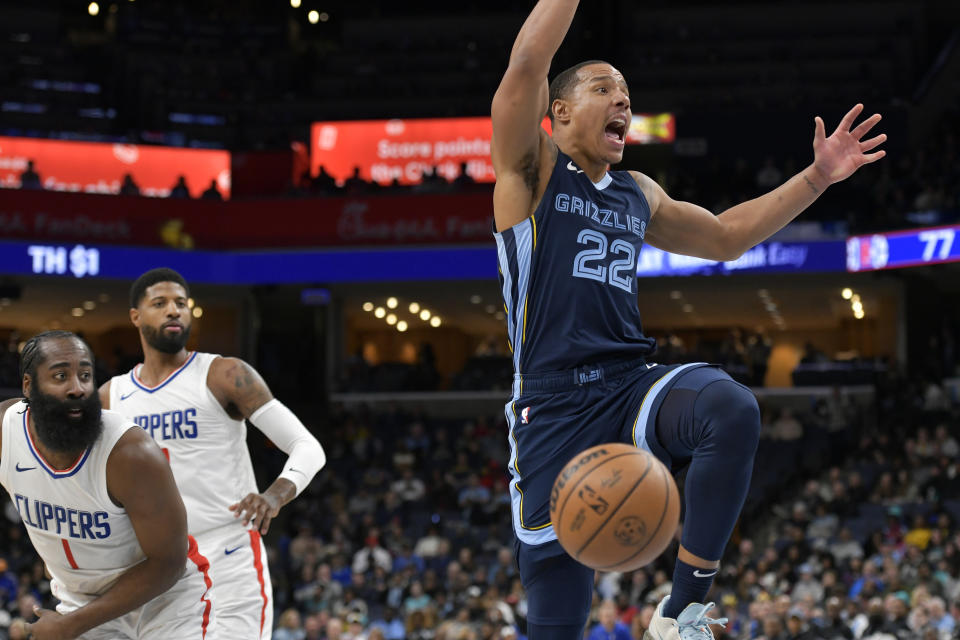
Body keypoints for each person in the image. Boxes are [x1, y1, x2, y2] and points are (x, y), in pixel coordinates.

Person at [490, 2, 886, 638]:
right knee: (555, 622)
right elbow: (528, 63)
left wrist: (819, 176)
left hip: (629, 383)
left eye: (626, 93)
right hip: (553, 409)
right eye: (602, 89)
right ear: (558, 112)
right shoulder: (530, 172)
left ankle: (681, 612)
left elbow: (727, 238)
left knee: (730, 408)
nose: (621, 100)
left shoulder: (638, 192)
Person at [99, 268, 327, 640]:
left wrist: (275, 495)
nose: (174, 311)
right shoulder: (112, 397)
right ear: (135, 317)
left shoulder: (223, 374)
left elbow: (308, 446)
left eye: (181, 304)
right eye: (160, 304)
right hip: (159, 568)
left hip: (228, 556)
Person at [0, 331, 211, 639]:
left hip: (167, 603)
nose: (77, 388)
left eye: (85, 375)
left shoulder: (131, 453)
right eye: (61, 376)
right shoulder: (6, 432)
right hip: (82, 603)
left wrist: (70, 625)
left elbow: (169, 562)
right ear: (29, 386)